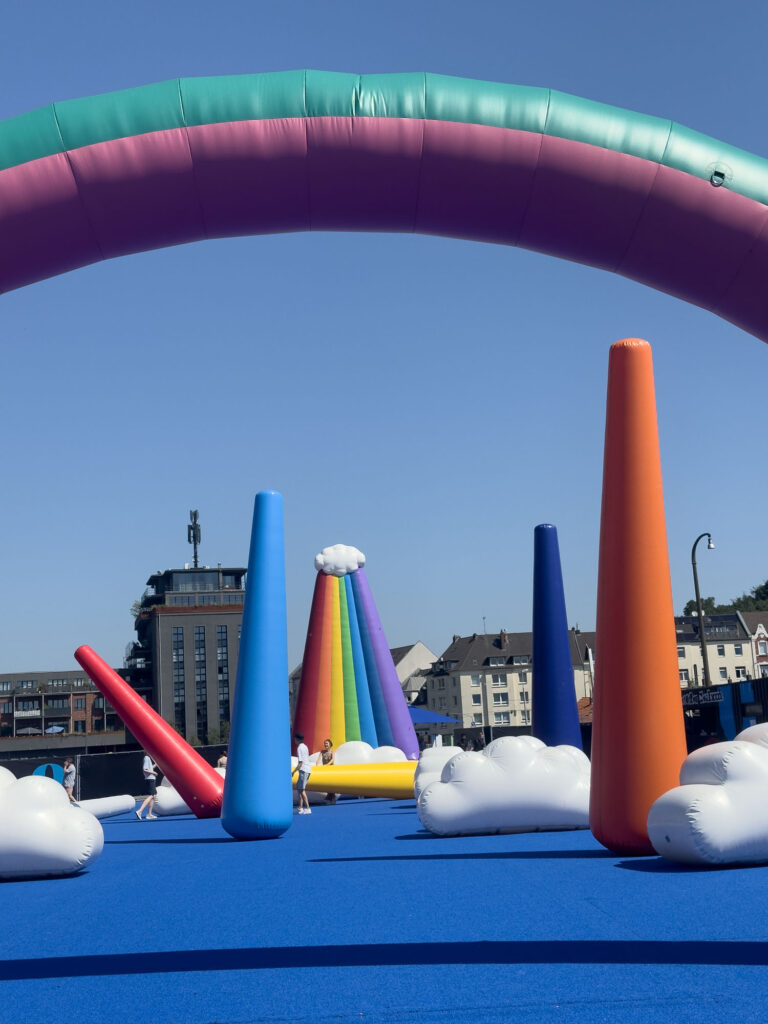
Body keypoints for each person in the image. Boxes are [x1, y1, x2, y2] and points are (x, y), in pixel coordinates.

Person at [136, 752, 158, 820]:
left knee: (153, 796)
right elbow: (145, 769)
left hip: (151, 779)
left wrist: (156, 764)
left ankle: (149, 814)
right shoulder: (146, 758)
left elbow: (150, 768)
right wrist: (153, 772)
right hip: (150, 779)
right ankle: (140, 811)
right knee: (152, 795)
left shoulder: (148, 758)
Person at [294, 732, 312, 815]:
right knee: (299, 788)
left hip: (304, 770)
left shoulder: (299, 748)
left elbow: (300, 762)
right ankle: (300, 808)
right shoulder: (305, 746)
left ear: (297, 739)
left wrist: (293, 772)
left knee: (301, 790)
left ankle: (308, 808)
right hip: (307, 769)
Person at [320, 738, 337, 804]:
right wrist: (317, 765)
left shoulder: (333, 751)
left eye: (327, 743)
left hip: (330, 770)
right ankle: (330, 796)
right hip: (325, 770)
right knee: (326, 784)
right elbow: (318, 760)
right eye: (325, 744)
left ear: (330, 744)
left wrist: (327, 765)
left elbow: (332, 759)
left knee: (331, 784)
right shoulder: (322, 752)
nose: (325, 745)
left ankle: (332, 797)